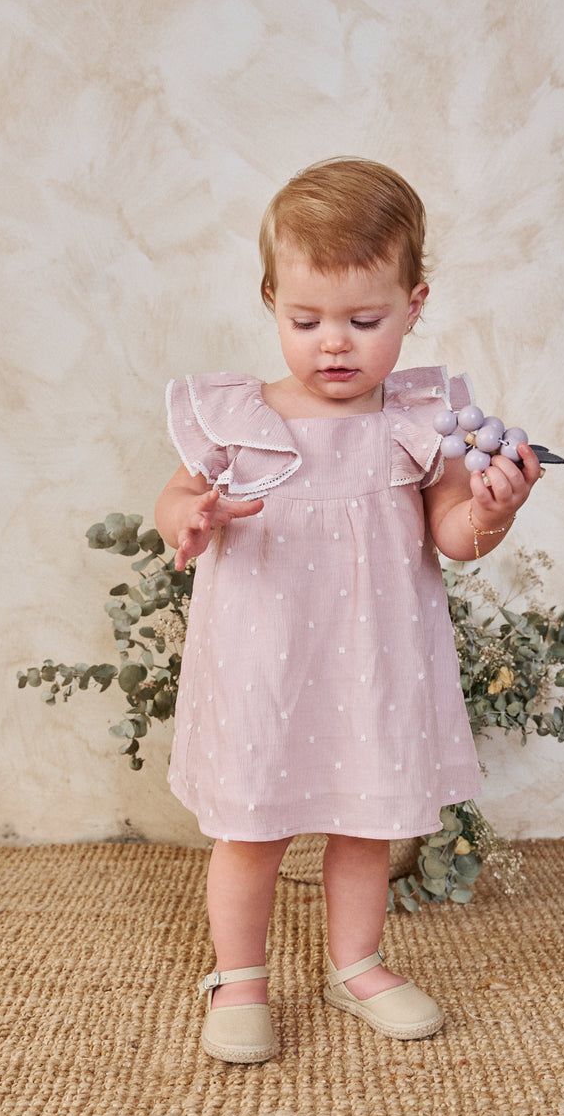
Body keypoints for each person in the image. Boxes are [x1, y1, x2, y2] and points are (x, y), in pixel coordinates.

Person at [154, 158, 541, 1063]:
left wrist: (492, 507)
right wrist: (192, 517)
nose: (335, 343)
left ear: (414, 304)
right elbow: (174, 499)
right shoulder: (236, 417)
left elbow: (451, 534)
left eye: (365, 321)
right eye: (306, 320)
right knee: (250, 828)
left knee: (367, 822)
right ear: (270, 300)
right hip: (263, 659)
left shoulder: (419, 418)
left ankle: (357, 962)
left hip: (372, 656)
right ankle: (240, 976)